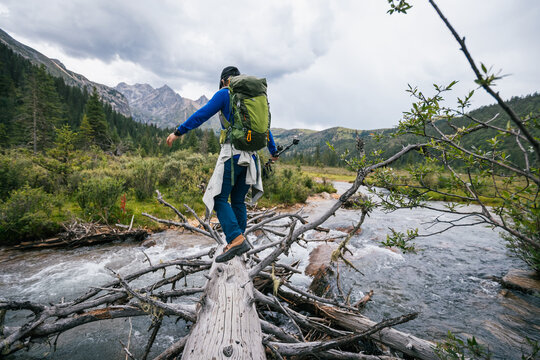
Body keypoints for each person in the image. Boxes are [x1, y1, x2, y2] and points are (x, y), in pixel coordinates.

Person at [166, 66, 278, 263]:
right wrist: (273, 150)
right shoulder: (251, 99)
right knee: (237, 201)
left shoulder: (225, 94)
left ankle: (235, 239)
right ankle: (238, 240)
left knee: (218, 198)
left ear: (225, 80)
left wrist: (178, 132)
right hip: (251, 158)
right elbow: (266, 129)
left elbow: (202, 114)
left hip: (232, 155)